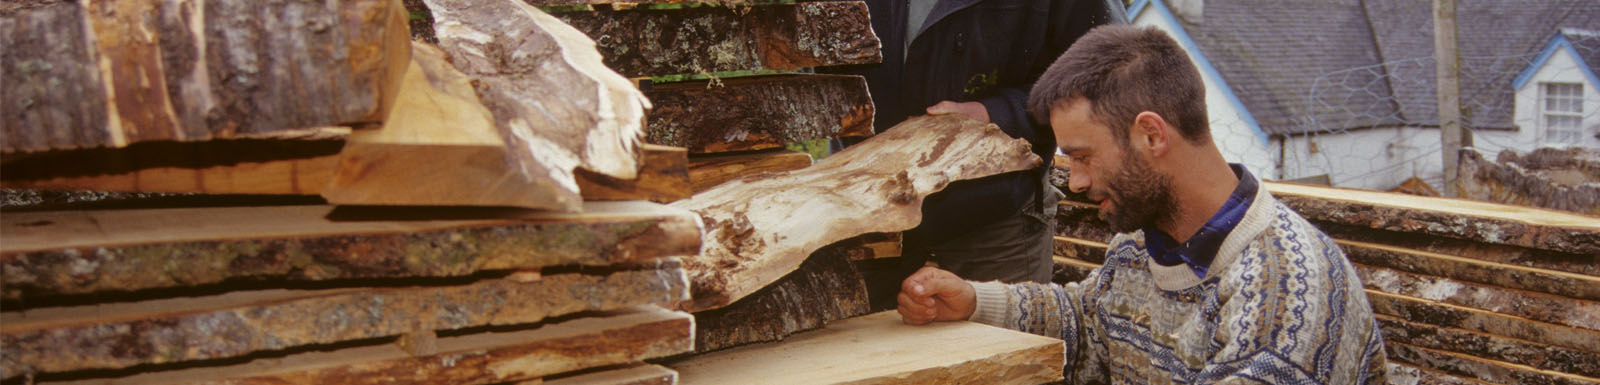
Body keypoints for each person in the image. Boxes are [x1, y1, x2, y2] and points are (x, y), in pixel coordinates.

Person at [896, 25, 1388, 383]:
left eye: (1083, 156)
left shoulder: (1285, 291)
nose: (1077, 180)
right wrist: (974, 301)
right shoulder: (1143, 241)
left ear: (1151, 134)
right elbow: (1089, 320)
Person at [832, 0, 1128, 310]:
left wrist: (996, 114)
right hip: (867, 215)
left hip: (994, 219)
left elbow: (1112, 69)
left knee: (1005, 351)